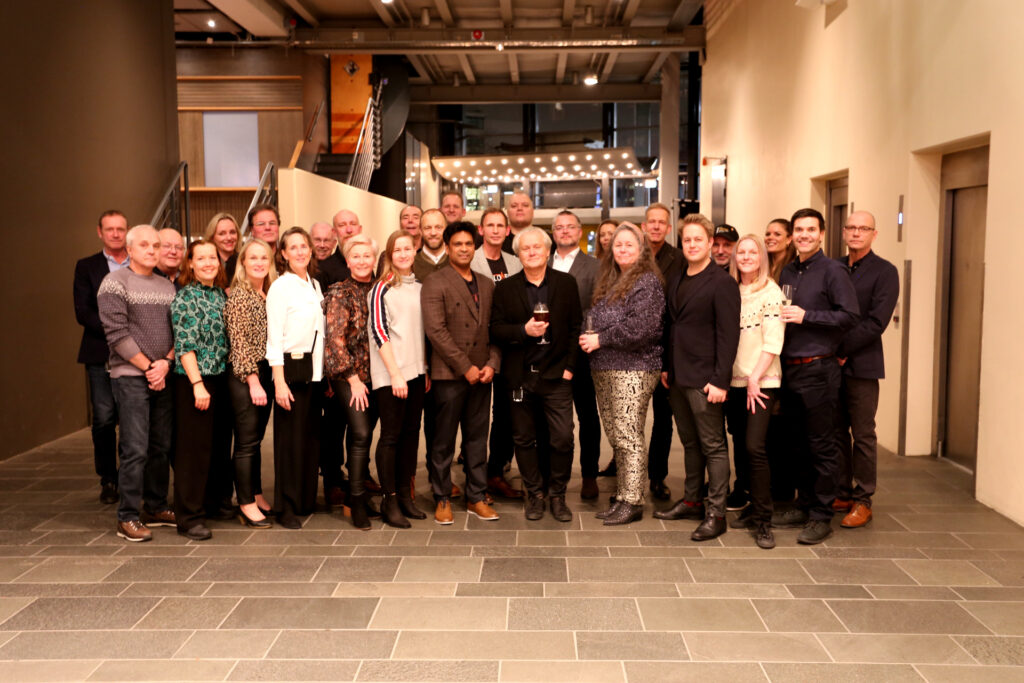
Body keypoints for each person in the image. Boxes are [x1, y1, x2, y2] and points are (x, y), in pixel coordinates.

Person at [775, 208, 860, 544]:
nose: (804, 235)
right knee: (797, 444)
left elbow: (849, 316)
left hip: (819, 369)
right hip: (790, 369)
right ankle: (804, 504)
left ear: (822, 234)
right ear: (792, 235)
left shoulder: (833, 271)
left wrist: (807, 316)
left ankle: (822, 515)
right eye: (799, 229)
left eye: (811, 229)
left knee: (822, 445)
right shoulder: (788, 270)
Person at [655, 214, 740, 542]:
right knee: (690, 443)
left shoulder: (722, 283)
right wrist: (667, 366)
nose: (692, 245)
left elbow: (728, 336)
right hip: (678, 376)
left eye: (698, 240)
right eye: (687, 240)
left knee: (713, 446)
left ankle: (716, 513)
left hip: (706, 379)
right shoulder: (678, 276)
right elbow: (672, 326)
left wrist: (720, 380)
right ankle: (692, 501)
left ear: (710, 243)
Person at [491, 227, 582, 522]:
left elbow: (575, 328)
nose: (531, 252)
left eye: (537, 247)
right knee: (523, 439)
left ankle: (557, 494)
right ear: (518, 254)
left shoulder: (566, 284)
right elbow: (496, 330)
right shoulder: (505, 289)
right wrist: (523, 331)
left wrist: (569, 368)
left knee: (562, 438)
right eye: (525, 248)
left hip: (556, 376)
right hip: (519, 378)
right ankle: (535, 494)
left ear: (547, 251)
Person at [579, 223, 665, 525]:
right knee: (617, 435)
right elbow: (594, 317)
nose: (623, 249)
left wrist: (600, 338)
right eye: (618, 245)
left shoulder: (647, 282)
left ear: (642, 250)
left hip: (634, 369)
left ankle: (633, 501)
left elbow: (641, 328)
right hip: (604, 368)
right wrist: (589, 332)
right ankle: (624, 494)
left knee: (629, 435)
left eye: (630, 244)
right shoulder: (610, 279)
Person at [97, 224, 176, 542]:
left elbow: (178, 331)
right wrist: (149, 368)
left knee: (161, 446)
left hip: (163, 374)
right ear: (129, 250)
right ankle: (127, 516)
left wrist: (165, 363)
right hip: (130, 377)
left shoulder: (167, 286)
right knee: (135, 448)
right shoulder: (114, 283)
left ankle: (155, 506)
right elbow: (116, 334)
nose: (152, 250)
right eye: (144, 245)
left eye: (156, 245)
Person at [422, 222, 502, 524]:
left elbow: (495, 328)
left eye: (469, 243)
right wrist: (465, 367)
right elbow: (436, 331)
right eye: (458, 244)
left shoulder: (487, 283)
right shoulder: (435, 281)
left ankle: (476, 496)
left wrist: (492, 363)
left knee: (477, 440)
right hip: (449, 375)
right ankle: (442, 496)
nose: (464, 249)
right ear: (447, 247)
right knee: (443, 441)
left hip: (482, 375)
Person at [833, 211, 899, 528]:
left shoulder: (885, 272)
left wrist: (842, 349)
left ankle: (863, 500)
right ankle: (842, 492)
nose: (856, 232)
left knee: (862, 434)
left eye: (864, 228)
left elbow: (876, 322)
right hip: (830, 364)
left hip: (862, 364)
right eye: (851, 227)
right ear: (844, 232)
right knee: (836, 432)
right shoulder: (833, 267)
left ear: (874, 233)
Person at [723, 234, 786, 549]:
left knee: (754, 448)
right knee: (740, 444)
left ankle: (764, 521)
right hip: (734, 382)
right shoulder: (731, 290)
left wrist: (755, 379)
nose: (746, 257)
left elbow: (773, 342)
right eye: (741, 252)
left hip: (760, 382)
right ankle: (750, 506)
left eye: (753, 252)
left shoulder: (770, 292)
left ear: (762, 257)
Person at [170, 240, 232, 541]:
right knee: (193, 451)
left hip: (220, 379)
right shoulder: (186, 297)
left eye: (213, 258)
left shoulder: (219, 295)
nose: (208, 263)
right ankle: (189, 516)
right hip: (195, 381)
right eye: (201, 258)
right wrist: (197, 384)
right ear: (190, 264)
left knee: (216, 447)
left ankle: (212, 503)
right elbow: (185, 345)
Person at [368, 231, 429, 528]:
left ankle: (405, 495)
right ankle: (388, 499)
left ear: (415, 251)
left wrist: (425, 370)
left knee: (410, 435)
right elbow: (379, 332)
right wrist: (395, 374)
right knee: (391, 436)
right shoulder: (381, 288)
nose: (403, 254)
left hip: (416, 373)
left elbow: (420, 333)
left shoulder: (419, 287)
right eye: (397, 250)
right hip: (392, 374)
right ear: (390, 255)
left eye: (408, 248)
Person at [266, 227, 325, 529]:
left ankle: (304, 499)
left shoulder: (314, 284)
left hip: (314, 374)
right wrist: (278, 382)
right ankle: (285, 506)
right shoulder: (281, 287)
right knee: (289, 443)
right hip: (290, 373)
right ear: (284, 254)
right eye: (293, 247)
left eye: (304, 246)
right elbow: (274, 337)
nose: (300, 251)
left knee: (309, 439)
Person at [324, 234, 379, 530]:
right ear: (347, 261)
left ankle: (357, 492)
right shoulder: (339, 292)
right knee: (360, 433)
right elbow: (334, 340)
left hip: (378, 375)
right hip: (348, 376)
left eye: (367, 255)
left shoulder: (380, 289)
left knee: (365, 435)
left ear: (374, 259)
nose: (362, 260)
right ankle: (355, 500)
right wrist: (353, 379)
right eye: (356, 256)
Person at [74, 209, 129, 504]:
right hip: (100, 354)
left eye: (120, 228)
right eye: (110, 229)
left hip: (136, 355)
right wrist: (117, 333)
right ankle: (108, 479)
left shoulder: (140, 263)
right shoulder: (86, 267)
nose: (116, 234)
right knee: (105, 418)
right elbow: (83, 312)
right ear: (100, 232)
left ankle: (131, 478)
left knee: (131, 418)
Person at [471, 208, 524, 500]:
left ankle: (496, 471)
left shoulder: (515, 262)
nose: (494, 230)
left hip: (510, 346)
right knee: (475, 417)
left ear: (507, 230)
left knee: (505, 414)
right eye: (489, 225)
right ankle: (475, 474)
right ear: (481, 230)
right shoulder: (471, 259)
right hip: (477, 347)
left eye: (499, 225)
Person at [550, 210, 602, 500]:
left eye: (570, 227)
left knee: (587, 416)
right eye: (559, 227)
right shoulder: (543, 261)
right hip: (548, 353)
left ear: (580, 232)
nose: (565, 231)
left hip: (582, 352)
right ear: (553, 233)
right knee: (552, 417)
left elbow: (598, 308)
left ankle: (589, 475)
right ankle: (552, 474)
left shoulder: (594, 266)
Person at [225, 238, 277, 529]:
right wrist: (253, 381)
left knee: (255, 439)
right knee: (246, 442)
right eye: (253, 258)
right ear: (243, 262)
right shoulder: (240, 296)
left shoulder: (267, 293)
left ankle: (255, 493)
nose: (259, 262)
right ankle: (244, 502)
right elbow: (239, 343)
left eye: (263, 258)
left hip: (266, 372)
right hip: (246, 375)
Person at [635, 203, 683, 500]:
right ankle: (629, 477)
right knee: (631, 418)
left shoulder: (679, 259)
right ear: (643, 226)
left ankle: (657, 476)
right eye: (651, 221)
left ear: (668, 227)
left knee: (663, 419)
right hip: (633, 350)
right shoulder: (631, 254)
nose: (655, 226)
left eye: (661, 222)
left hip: (665, 348)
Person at [312, 220, 349, 290]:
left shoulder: (347, 267)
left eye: (326, 240)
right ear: (309, 241)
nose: (322, 245)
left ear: (334, 243)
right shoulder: (301, 266)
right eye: (317, 240)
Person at [414, 208, 449, 282]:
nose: (433, 233)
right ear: (420, 231)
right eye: (427, 228)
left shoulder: (456, 261)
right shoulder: (411, 264)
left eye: (438, 227)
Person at [204, 212, 241, 281]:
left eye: (232, 232)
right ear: (212, 237)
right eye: (222, 234)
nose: (229, 238)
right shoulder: (206, 264)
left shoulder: (244, 261)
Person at [765, 218, 795, 283]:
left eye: (777, 234)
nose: (770, 237)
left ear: (789, 239)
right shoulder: (760, 265)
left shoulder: (794, 269)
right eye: (768, 234)